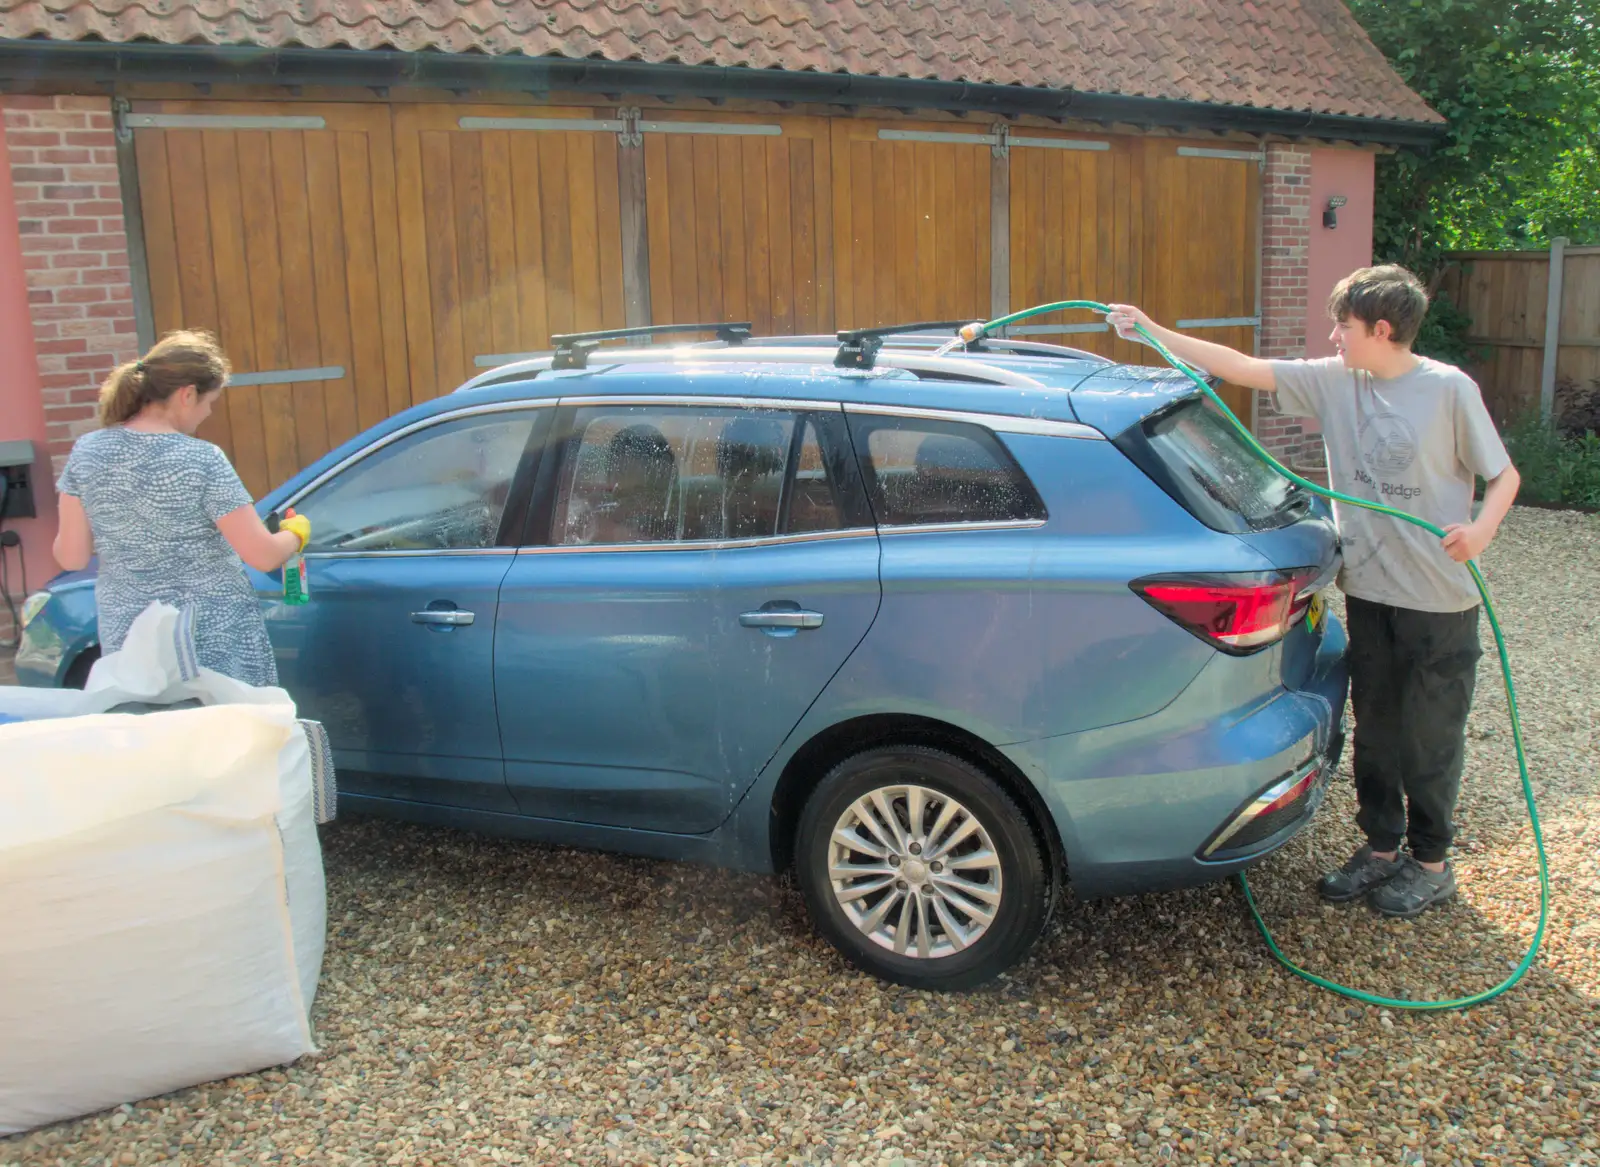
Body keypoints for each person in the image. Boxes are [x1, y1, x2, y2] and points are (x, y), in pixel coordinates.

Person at [1106, 265, 1521, 918]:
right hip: (1372, 592)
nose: (1334, 337)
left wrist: (1481, 529)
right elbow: (1243, 367)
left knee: (1429, 738)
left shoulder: (1448, 391)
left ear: (1381, 330)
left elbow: (1505, 476)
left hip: (1440, 602)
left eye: (1344, 326)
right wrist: (1152, 330)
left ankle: (1432, 863)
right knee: (1377, 730)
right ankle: (1380, 850)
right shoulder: (1336, 383)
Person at [51, 330, 311, 687]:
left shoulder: (87, 452)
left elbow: (72, 558)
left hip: (132, 646)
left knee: (155, 739)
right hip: (210, 644)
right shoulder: (201, 459)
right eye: (209, 402)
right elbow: (262, 555)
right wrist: (294, 535)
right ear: (187, 394)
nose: (207, 413)